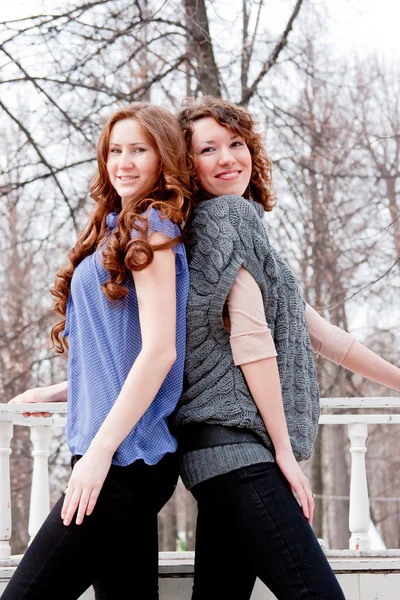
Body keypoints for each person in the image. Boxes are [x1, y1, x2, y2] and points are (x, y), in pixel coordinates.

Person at [172, 96, 400, 600]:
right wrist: (284, 453)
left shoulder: (233, 231)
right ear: (187, 164)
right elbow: (251, 342)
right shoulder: (223, 222)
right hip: (238, 453)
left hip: (217, 457)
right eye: (208, 149)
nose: (228, 158)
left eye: (236, 144)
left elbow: (325, 338)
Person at [5, 103, 190, 600]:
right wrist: (59, 390)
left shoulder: (153, 228)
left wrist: (101, 453)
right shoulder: (114, 228)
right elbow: (118, 356)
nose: (122, 161)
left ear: (163, 158)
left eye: (138, 150)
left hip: (126, 460)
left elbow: (159, 353)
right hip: (110, 456)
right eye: (114, 150)